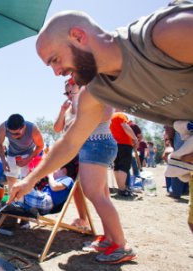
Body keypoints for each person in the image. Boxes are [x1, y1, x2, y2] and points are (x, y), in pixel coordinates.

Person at [33, 5, 193, 237]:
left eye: (55, 60)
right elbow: (69, 143)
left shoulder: (167, 33)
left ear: (78, 36)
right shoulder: (95, 92)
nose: (57, 72)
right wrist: (30, 180)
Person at [53, 77, 90, 229]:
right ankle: (83, 219)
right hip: (69, 151)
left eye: (70, 91)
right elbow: (57, 128)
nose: (68, 95)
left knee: (87, 187)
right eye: (66, 93)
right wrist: (62, 110)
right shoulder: (68, 110)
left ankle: (84, 219)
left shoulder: (85, 105)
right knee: (74, 186)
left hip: (83, 149)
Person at [0, 113, 44, 193]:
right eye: (11, 133)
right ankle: (13, 201)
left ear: (24, 126)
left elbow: (40, 145)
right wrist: (4, 161)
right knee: (10, 178)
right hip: (11, 153)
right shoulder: (3, 127)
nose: (13, 136)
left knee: (26, 179)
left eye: (17, 133)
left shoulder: (33, 129)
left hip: (28, 153)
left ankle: (26, 200)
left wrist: (28, 159)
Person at [9, 165, 75, 215]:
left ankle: (16, 204)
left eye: (55, 169)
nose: (53, 171)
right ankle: (19, 205)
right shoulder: (55, 180)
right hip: (43, 202)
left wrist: (50, 176)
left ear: (64, 171)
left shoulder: (68, 179)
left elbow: (54, 187)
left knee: (22, 186)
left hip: (47, 202)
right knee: (22, 186)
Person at [110, 112, 138, 197]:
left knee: (117, 166)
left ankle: (120, 187)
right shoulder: (120, 115)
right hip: (124, 144)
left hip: (114, 143)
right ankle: (122, 189)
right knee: (124, 166)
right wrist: (135, 138)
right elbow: (125, 126)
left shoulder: (110, 117)